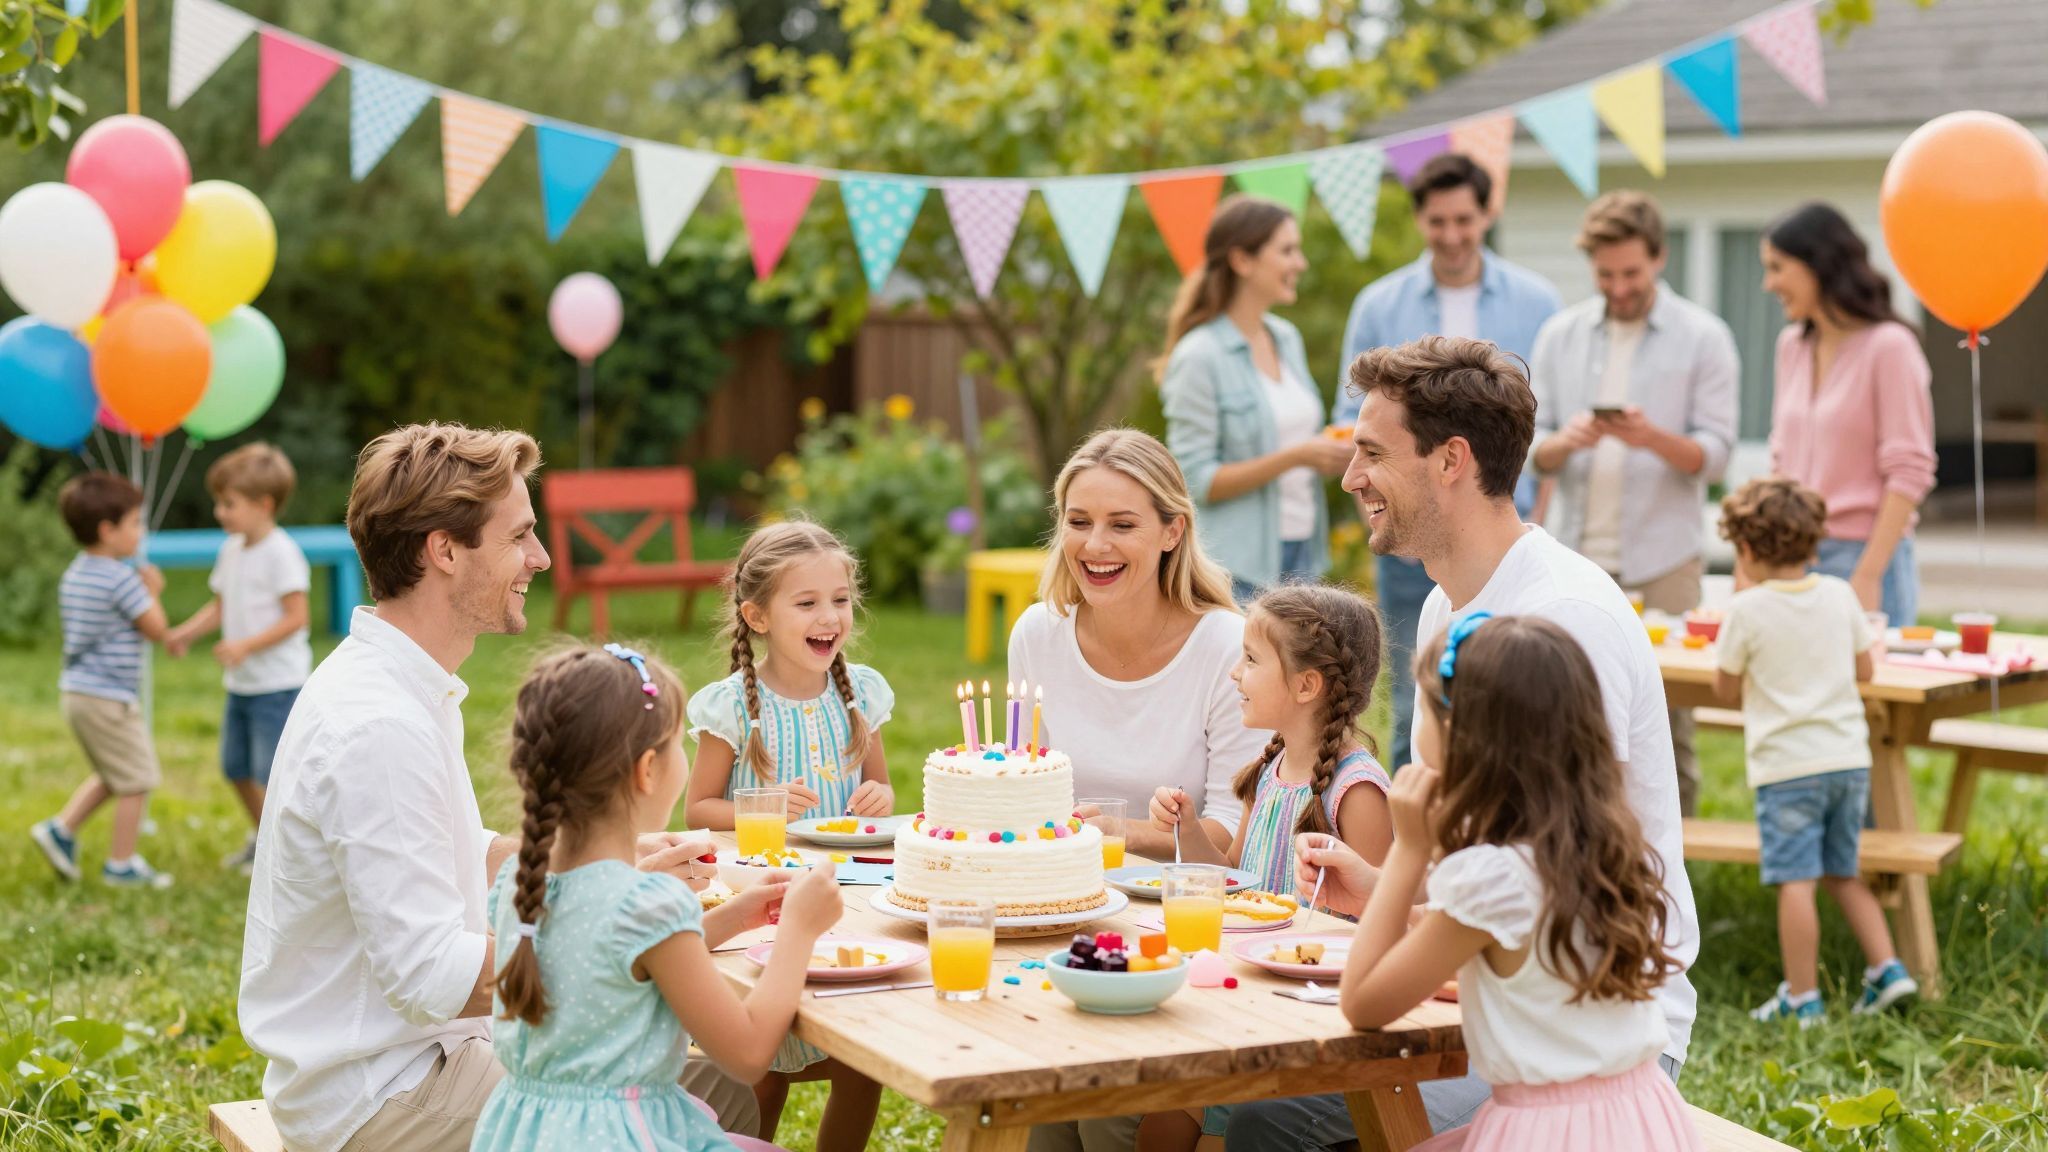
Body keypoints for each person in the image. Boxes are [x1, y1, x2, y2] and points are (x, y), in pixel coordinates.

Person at [1227, 338, 1699, 1149]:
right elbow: (1487, 874)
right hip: (1506, 999)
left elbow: (1559, 888)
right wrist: (1384, 889)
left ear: (1451, 460)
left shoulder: (1561, 622)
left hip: (1584, 1047)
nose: (1349, 478)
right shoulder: (1452, 610)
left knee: (1270, 1119)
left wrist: (1405, 915)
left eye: (1371, 453)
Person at [239, 423, 759, 1152]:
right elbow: (430, 977)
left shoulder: (398, 681)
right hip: (385, 1095)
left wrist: (610, 854)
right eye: (520, 537)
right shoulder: (377, 726)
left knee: (726, 1088)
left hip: (417, 1057)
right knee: (713, 1095)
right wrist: (612, 925)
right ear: (444, 550)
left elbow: (456, 846)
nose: (541, 560)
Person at [1339, 616, 1702, 1152]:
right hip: (1642, 1116)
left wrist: (1409, 851)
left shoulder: (1494, 878)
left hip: (1552, 1132)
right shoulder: (1597, 844)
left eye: (1428, 712)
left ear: (1466, 740)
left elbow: (1363, 1002)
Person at [1006, 428, 1271, 1152]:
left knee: (1108, 1117)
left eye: (1122, 524)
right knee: (1026, 1114)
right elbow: (1022, 788)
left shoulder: (1225, 646)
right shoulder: (1039, 634)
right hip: (1056, 921)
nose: (1096, 545)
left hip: (1173, 941)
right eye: (1079, 521)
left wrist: (1122, 835)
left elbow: (1228, 850)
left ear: (1171, 531)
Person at [475, 644, 842, 1152]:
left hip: (526, 1134)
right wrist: (799, 929)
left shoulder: (520, 880)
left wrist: (734, 917)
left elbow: (614, 956)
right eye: (676, 744)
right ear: (647, 770)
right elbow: (750, 1052)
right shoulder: (646, 902)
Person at [1139, 583, 1393, 1152]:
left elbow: (1381, 921)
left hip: (1305, 1019)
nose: (1235, 674)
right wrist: (1188, 829)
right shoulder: (1271, 768)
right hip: (1244, 997)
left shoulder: (1356, 792)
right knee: (1159, 1124)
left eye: (1251, 660)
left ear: (1307, 685)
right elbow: (1235, 878)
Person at [1332, 153, 1562, 772]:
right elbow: (1352, 425)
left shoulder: (1539, 302)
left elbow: (1546, 422)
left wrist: (1533, 510)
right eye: (1438, 221)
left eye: (1465, 219)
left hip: (1498, 526)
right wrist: (1386, 514)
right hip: (1412, 529)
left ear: (1487, 214)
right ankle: (1417, 839)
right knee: (1416, 698)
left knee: (1510, 690)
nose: (1453, 235)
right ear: (1420, 220)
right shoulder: (1379, 304)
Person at [1528, 191, 1738, 817]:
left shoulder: (1705, 337)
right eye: (1606, 275)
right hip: (1575, 556)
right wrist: (1562, 442)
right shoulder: (1560, 334)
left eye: (1632, 274)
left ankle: (1673, 880)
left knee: (1667, 726)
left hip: (1664, 560)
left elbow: (1718, 454)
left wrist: (1652, 439)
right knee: (1566, 715)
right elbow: (1529, 446)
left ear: (1659, 258)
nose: (1619, 287)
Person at [684, 519, 890, 1152]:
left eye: (839, 599)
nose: (829, 615)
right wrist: (762, 805)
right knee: (764, 1072)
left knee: (861, 1068)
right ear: (757, 616)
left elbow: (880, 803)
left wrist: (879, 801)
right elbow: (698, 809)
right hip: (766, 906)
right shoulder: (734, 707)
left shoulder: (859, 697)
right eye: (806, 602)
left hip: (844, 902)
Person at [1713, 478, 1918, 1026]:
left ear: (1748, 551)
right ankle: (1889, 969)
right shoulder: (1838, 594)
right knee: (1842, 872)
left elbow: (1726, 689)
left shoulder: (1746, 609)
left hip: (1789, 770)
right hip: (1848, 763)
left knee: (1795, 882)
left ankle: (1802, 998)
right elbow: (1866, 669)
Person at [1158, 195, 1351, 601]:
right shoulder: (1199, 356)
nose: (1300, 263)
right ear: (1242, 261)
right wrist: (1298, 456)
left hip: (1304, 555)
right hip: (1238, 569)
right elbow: (1193, 481)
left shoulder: (1286, 338)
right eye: (1287, 251)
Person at [1761, 202, 1936, 626]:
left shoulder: (1889, 347)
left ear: (1818, 266)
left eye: (1778, 268)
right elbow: (1781, 459)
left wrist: (1869, 574)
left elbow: (1910, 472)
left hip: (1864, 557)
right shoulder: (1792, 347)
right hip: (1793, 559)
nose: (1769, 284)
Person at [164, 443, 314, 872]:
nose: (219, 512)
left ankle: (288, 856)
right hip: (242, 685)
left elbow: (297, 618)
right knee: (235, 768)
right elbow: (220, 606)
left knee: (273, 776)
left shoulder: (281, 553)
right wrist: (185, 634)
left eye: (229, 504)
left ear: (263, 505)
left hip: (277, 685)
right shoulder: (232, 550)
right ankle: (264, 838)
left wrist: (245, 646)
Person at [29, 471, 175, 889]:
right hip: (109, 698)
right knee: (137, 779)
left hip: (77, 693)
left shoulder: (75, 573)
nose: (140, 532)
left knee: (115, 773)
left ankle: (61, 830)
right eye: (134, 523)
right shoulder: (120, 580)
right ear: (107, 530)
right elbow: (156, 630)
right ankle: (121, 864)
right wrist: (155, 591)